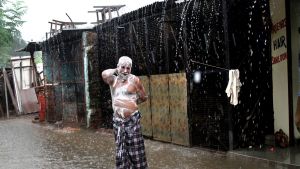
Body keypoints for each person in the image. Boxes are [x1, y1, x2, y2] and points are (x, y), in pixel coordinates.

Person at [102, 56, 148, 169]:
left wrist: (131, 104)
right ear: (118, 67)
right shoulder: (113, 80)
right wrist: (116, 70)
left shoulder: (135, 80)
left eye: (128, 68)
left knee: (136, 151)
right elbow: (104, 74)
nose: (126, 71)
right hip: (118, 121)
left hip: (132, 121)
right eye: (123, 67)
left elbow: (144, 97)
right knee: (121, 152)